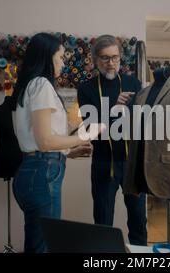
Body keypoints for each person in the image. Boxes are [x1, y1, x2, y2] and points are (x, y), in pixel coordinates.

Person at [11, 32, 104, 253]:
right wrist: (87, 135)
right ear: (47, 56)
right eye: (60, 57)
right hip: (42, 174)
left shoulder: (28, 85)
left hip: (34, 171)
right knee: (43, 246)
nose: (63, 63)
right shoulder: (41, 85)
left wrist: (66, 152)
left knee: (38, 244)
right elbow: (44, 141)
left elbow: (39, 140)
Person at [77, 35, 147, 246]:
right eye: (105, 58)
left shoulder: (133, 83)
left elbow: (139, 123)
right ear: (95, 60)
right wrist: (114, 107)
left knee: (137, 221)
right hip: (103, 163)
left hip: (132, 164)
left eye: (115, 58)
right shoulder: (86, 89)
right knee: (103, 222)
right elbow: (90, 129)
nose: (111, 63)